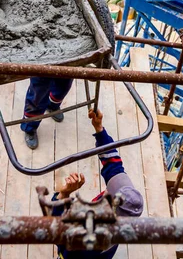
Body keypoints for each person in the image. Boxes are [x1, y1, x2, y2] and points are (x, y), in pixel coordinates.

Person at [50, 109, 144, 259]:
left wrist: (64, 195)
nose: (107, 191)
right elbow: (113, 164)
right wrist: (99, 129)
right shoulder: (127, 202)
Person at [21, 77, 74, 149]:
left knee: (64, 84)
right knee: (38, 94)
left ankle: (52, 105)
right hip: (41, 67)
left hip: (64, 66)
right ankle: (30, 127)